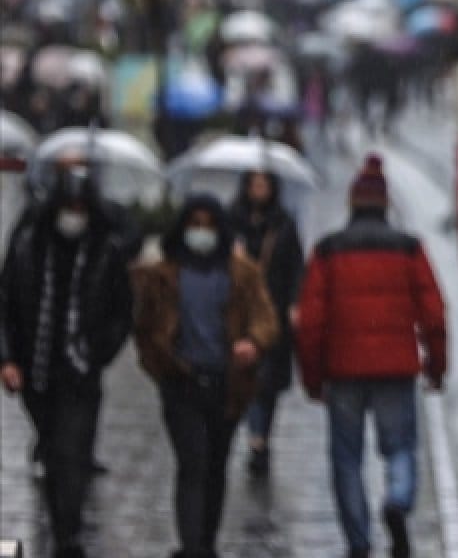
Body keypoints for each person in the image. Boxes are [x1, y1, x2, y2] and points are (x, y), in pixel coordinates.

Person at [296, 155, 447, 558]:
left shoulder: (328, 250)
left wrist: (312, 378)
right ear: (385, 205)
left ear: (352, 204)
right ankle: (397, 499)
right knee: (400, 447)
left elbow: (309, 322)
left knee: (346, 458)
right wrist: (436, 367)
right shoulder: (409, 248)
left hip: (343, 370)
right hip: (396, 368)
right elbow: (434, 314)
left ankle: (359, 541)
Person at [132, 194, 278, 558]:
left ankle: (206, 542)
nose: (201, 232)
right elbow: (145, 327)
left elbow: (265, 318)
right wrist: (161, 365)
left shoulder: (241, 274)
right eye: (194, 224)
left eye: (208, 225)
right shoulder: (164, 275)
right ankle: (191, 546)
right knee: (192, 463)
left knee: (215, 465)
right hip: (181, 382)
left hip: (226, 385)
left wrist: (253, 343)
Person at [0, 168, 134, 558]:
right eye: (68, 206)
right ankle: (62, 525)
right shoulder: (27, 247)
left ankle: (67, 535)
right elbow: (6, 305)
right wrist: (7, 358)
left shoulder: (104, 253)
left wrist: (97, 352)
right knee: (54, 452)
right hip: (36, 371)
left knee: (72, 453)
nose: (73, 215)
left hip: (80, 374)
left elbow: (121, 311)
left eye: (80, 207)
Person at [229, 171, 305, 476]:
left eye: (264, 185)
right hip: (238, 312)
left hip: (272, 311)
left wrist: (294, 303)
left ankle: (260, 436)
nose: (259, 190)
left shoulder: (283, 223)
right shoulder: (232, 221)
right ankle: (255, 437)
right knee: (246, 376)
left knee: (267, 381)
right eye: (254, 184)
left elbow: (296, 265)